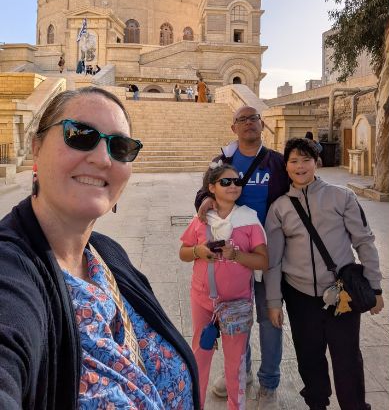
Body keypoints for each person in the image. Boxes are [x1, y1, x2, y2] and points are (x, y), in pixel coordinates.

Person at [0, 87, 200, 409]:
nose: (103, 158)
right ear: (36, 147)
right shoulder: (11, 270)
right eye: (79, 135)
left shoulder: (108, 254)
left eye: (120, 147)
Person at [267, 138, 383, 410]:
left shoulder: (342, 196)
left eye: (306, 160)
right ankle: (316, 403)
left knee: (347, 357)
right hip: (300, 295)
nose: (300, 166)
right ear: (286, 166)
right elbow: (273, 260)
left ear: (316, 163)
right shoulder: (279, 208)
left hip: (341, 292)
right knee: (309, 356)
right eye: (294, 161)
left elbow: (364, 242)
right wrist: (274, 301)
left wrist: (376, 288)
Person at [195, 106, 289, 406]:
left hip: (267, 251)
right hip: (232, 256)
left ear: (263, 124)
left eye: (254, 118)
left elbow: (297, 193)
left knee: (269, 318)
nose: (249, 123)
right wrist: (205, 200)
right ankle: (241, 373)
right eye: (242, 119)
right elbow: (203, 192)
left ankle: (269, 383)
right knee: (238, 317)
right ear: (233, 128)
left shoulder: (276, 162)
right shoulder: (222, 161)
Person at [180, 162, 268, 410]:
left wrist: (235, 255)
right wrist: (198, 250)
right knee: (200, 354)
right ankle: (195, 403)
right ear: (211, 187)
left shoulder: (249, 220)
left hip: (236, 303)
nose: (232, 186)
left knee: (235, 362)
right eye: (225, 182)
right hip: (203, 299)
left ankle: (235, 405)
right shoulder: (201, 220)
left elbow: (263, 260)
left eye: (237, 182)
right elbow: (183, 252)